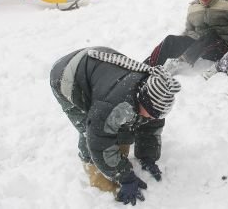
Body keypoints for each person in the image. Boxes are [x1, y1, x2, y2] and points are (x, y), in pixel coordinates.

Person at [50, 47, 181, 205]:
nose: (153, 118)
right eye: (152, 113)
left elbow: (150, 126)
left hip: (98, 66)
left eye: (157, 115)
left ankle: (114, 160)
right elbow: (98, 140)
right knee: (89, 129)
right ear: (142, 100)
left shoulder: (153, 94)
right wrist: (123, 176)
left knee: (125, 123)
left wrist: (148, 155)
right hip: (67, 76)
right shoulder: (113, 104)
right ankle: (94, 171)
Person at [144, 0, 228, 72]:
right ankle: (147, 67)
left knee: (210, 35)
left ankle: (180, 64)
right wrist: (178, 44)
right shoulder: (193, 8)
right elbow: (188, 31)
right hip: (199, 46)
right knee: (170, 40)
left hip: (222, 48)